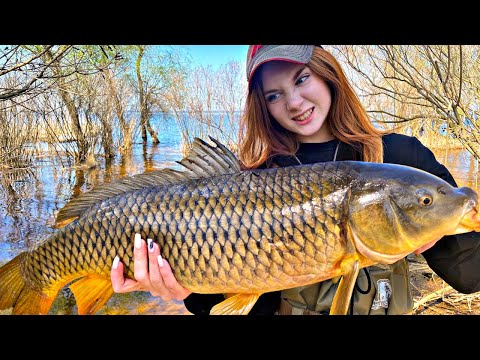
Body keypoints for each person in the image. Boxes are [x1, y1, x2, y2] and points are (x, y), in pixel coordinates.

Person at [110, 45, 480, 315]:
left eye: (301, 78)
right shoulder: (255, 179)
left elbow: (470, 277)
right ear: (263, 106)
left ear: (326, 72)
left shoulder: (403, 159)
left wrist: (430, 228)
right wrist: (184, 289)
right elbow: (248, 308)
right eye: (274, 95)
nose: (294, 102)